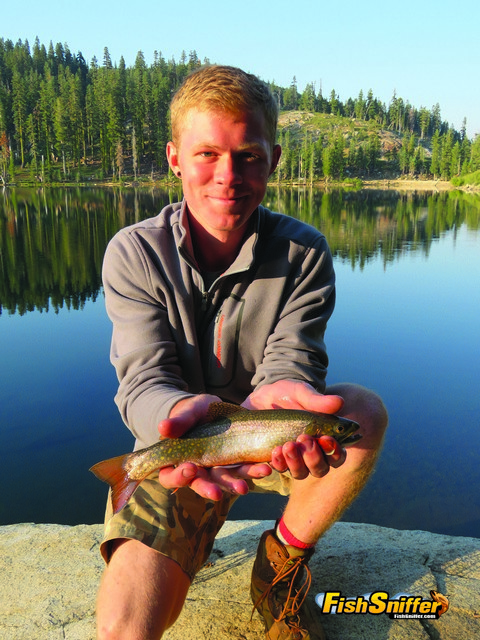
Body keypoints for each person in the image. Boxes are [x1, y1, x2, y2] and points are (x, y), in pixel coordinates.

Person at [96, 64, 388, 640]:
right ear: (175, 157)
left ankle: (280, 562)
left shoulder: (305, 252)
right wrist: (172, 419)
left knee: (362, 414)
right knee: (124, 631)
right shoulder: (132, 252)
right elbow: (142, 378)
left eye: (249, 156)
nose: (228, 175)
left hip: (270, 440)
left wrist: (286, 394)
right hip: (181, 452)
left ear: (274, 160)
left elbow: (292, 359)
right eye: (207, 153)